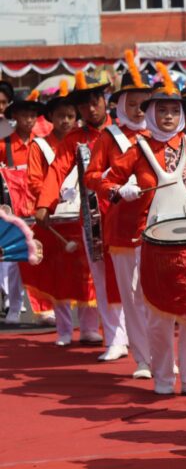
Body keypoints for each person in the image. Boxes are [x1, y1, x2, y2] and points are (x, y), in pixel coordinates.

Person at [101, 68, 186, 399]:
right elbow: (105, 183)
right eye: (161, 110)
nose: (167, 116)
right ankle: (163, 376)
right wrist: (122, 191)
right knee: (156, 313)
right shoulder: (137, 149)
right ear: (149, 113)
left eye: (174, 110)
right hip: (149, 243)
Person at [36, 72, 127, 362]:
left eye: (94, 102)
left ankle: (138, 339)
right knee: (100, 279)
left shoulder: (124, 133)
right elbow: (56, 172)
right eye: (84, 105)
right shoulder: (75, 140)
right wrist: (45, 204)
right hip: (93, 219)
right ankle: (114, 339)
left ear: (104, 100)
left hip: (128, 216)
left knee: (131, 280)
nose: (90, 109)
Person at [84, 52, 154, 380]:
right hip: (123, 225)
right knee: (132, 294)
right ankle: (142, 357)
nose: (140, 110)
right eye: (134, 103)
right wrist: (114, 187)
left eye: (146, 103)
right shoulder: (109, 137)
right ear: (122, 103)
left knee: (155, 295)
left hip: (162, 227)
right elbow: (92, 176)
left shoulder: (163, 137)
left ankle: (162, 356)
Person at [26, 80, 100, 345]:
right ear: (51, 118)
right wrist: (50, 201)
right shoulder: (40, 146)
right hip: (54, 217)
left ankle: (90, 327)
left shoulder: (86, 140)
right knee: (58, 276)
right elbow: (35, 180)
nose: (67, 120)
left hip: (83, 214)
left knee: (87, 274)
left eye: (71, 116)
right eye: (61, 116)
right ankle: (64, 330)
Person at [0, 90, 43, 324]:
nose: (29, 119)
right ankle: (15, 307)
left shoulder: (41, 142)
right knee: (15, 261)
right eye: (24, 114)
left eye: (33, 115)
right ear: (15, 115)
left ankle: (45, 308)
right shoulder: (4, 142)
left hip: (39, 208)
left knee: (42, 258)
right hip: (13, 211)